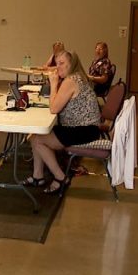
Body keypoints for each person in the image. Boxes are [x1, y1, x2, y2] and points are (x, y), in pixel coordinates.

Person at [25, 50, 101, 195]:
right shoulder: (77, 77)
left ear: (71, 64)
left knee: (37, 139)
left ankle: (60, 178)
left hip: (83, 130)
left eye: (62, 63)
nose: (57, 67)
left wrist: (53, 84)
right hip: (85, 127)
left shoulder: (71, 81)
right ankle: (38, 176)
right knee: (36, 136)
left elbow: (53, 108)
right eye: (56, 64)